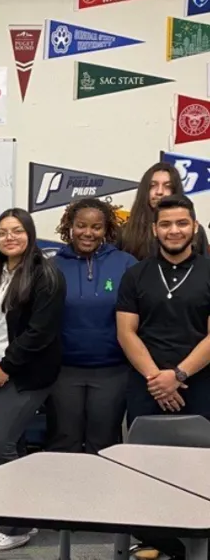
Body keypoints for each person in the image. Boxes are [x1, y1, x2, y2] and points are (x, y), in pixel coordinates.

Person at [117, 194, 210, 560]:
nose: (174, 230)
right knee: (146, 467)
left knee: (198, 467)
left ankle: (197, 540)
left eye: (182, 223)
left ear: (194, 226)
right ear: (155, 229)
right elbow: (127, 332)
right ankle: (154, 539)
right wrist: (157, 378)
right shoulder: (135, 274)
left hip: (200, 384)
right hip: (146, 384)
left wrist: (179, 374)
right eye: (166, 224)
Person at [0, 208, 65, 553]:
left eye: (16, 230)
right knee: (14, 445)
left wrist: (6, 366)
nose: (9, 237)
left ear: (29, 233)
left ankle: (14, 527)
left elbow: (40, 331)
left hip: (27, 374)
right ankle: (21, 516)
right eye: (2, 232)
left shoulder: (46, 274)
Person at [49, 199, 136, 454]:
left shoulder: (126, 264)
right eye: (81, 226)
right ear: (70, 227)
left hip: (112, 371)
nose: (88, 233)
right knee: (64, 443)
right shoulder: (53, 265)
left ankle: (102, 493)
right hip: (64, 371)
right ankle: (62, 494)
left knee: (104, 444)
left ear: (106, 229)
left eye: (96, 227)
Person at [117, 162, 209, 260]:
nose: (159, 192)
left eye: (167, 186)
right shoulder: (125, 232)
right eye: (153, 185)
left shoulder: (196, 231)